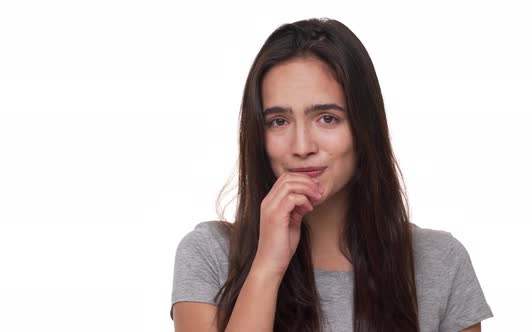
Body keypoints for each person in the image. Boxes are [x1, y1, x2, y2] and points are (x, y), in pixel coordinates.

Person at [170, 18, 493, 332]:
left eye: (327, 118)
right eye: (278, 121)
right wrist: (267, 265)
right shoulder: (209, 252)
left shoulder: (439, 260)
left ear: (364, 126)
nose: (302, 146)